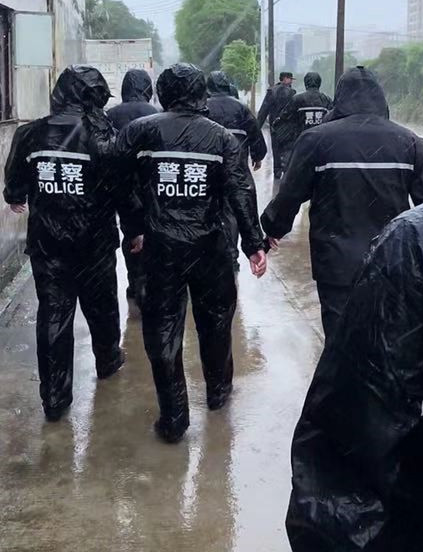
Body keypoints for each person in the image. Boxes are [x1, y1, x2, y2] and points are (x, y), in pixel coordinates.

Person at [286, 197, 423, 552]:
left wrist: (268, 228)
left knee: (358, 359)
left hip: (356, 266)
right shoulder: (422, 239)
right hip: (385, 272)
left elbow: (349, 450)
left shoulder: (419, 240)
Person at [117, 62, 267, 443]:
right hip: (211, 246)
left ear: (164, 93)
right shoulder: (221, 139)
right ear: (201, 94)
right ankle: (218, 393)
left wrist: (134, 227)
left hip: (161, 249)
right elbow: (241, 191)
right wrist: (253, 244)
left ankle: (174, 418)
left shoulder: (141, 133)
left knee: (163, 330)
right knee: (215, 323)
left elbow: (117, 181)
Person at [261, 66, 423, 341]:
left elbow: (289, 196)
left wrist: (271, 231)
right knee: (386, 341)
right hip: (391, 263)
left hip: (335, 264)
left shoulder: (316, 140)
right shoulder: (408, 141)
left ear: (340, 99)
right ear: (380, 98)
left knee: (340, 343)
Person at [3, 66, 144, 422]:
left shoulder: (29, 134)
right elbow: (124, 190)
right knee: (102, 307)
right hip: (94, 244)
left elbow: (15, 183)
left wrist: (17, 196)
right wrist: (135, 230)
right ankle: (108, 360)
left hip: (48, 243)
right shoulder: (104, 137)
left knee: (54, 313)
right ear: (94, 98)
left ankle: (54, 397)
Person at [206, 70, 267, 271]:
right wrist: (257, 156)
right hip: (236, 169)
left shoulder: (203, 107)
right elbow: (256, 135)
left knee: (211, 211)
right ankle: (231, 256)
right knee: (234, 211)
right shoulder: (241, 108)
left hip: (207, 170)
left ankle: (211, 255)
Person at [108, 68, 158, 301]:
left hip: (121, 183)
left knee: (130, 232)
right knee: (153, 232)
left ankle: (135, 281)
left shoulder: (110, 115)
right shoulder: (156, 114)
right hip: (151, 185)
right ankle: (151, 281)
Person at [273, 72, 333, 173]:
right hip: (321, 144)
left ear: (306, 83)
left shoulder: (297, 99)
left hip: (301, 143)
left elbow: (284, 117)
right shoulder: (326, 100)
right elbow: (333, 119)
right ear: (319, 83)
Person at [257, 71, 296, 179]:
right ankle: (287, 171)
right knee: (288, 149)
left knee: (276, 148)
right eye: (290, 79)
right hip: (288, 127)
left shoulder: (271, 92)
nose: (291, 81)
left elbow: (264, 111)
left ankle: (277, 171)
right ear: (285, 79)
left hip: (275, 126)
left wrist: (257, 127)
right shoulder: (292, 93)